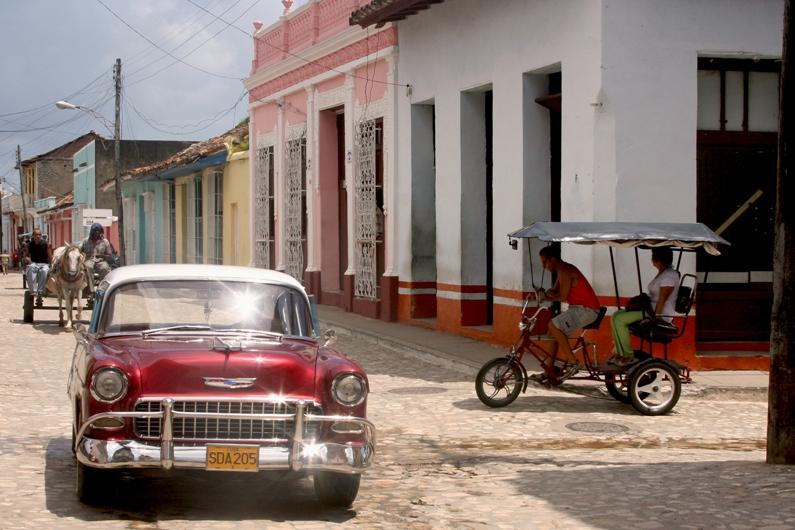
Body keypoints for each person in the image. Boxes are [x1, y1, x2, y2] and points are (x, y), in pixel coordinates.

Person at [609, 247, 680, 367]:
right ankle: (620, 353)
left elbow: (662, 300)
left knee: (620, 320)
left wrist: (655, 319)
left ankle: (628, 355)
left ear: (658, 258)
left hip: (658, 313)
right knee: (616, 315)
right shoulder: (663, 273)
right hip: (649, 309)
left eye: (653, 255)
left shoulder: (669, 276)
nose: (651, 258)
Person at [536, 245, 600, 378]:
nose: (543, 266)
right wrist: (543, 293)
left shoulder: (566, 271)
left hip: (586, 310)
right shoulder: (561, 271)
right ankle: (549, 370)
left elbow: (562, 296)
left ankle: (573, 362)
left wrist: (547, 296)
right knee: (551, 333)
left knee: (553, 325)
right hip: (578, 309)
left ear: (553, 259)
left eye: (544, 262)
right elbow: (555, 292)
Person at [81, 223, 113, 293]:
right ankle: (91, 290)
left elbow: (109, 255)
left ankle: (103, 289)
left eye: (98, 231)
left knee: (105, 268)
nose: (96, 233)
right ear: (91, 232)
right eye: (95, 231)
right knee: (88, 267)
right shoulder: (85, 241)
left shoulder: (105, 242)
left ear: (101, 232)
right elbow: (80, 251)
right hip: (89, 260)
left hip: (101, 261)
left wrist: (101, 256)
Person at [24, 229, 52, 307]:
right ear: (33, 236)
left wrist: (52, 263)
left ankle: (40, 291)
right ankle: (33, 290)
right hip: (34, 263)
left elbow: (50, 256)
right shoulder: (29, 245)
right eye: (36, 235)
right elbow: (26, 255)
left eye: (39, 235)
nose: (38, 236)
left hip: (44, 264)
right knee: (30, 268)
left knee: (44, 271)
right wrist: (27, 258)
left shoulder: (46, 244)